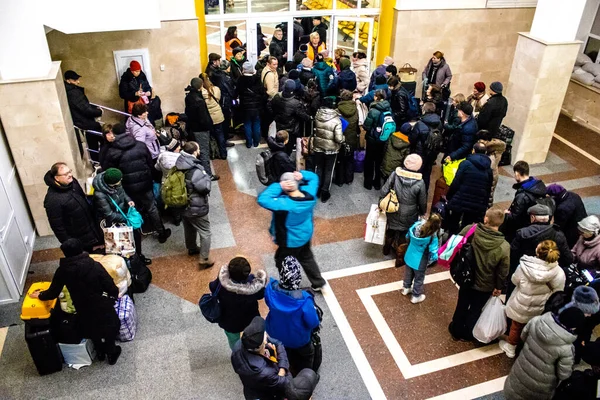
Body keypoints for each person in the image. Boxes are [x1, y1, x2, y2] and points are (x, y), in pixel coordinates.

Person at [30, 239, 122, 365]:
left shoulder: (62, 271)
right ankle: (111, 352)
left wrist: (40, 295)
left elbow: (53, 292)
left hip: (81, 305)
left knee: (91, 327)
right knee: (110, 325)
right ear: (81, 249)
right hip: (101, 302)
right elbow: (109, 285)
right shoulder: (95, 266)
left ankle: (99, 351)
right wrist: (113, 296)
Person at [257, 171, 327, 291]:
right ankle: (319, 283)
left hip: (289, 240)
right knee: (306, 257)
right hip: (304, 234)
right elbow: (314, 178)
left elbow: (263, 199)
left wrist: (279, 186)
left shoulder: (285, 204)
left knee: (281, 260)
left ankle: (287, 282)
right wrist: (302, 175)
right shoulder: (309, 193)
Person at [103, 122, 171, 242]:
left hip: (127, 187)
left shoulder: (112, 152)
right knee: (151, 207)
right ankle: (161, 232)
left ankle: (136, 236)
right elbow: (150, 163)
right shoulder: (140, 145)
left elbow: (110, 171)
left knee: (131, 209)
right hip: (144, 183)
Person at [448, 208, 510, 341]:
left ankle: (456, 330)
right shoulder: (504, 247)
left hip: (466, 278)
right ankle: (468, 333)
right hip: (486, 285)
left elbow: (456, 242)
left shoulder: (471, 230)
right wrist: (499, 287)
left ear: (486, 219)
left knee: (462, 303)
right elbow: (503, 271)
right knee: (475, 309)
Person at [500, 240, 566, 358]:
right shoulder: (559, 272)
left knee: (516, 326)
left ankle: (510, 348)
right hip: (541, 307)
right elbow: (558, 292)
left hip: (522, 303)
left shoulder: (524, 267)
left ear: (538, 251)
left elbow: (514, 280)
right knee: (532, 329)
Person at [503, 307, 584, 400]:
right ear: (574, 327)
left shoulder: (536, 321)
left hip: (522, 368)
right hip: (540, 388)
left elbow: (523, 337)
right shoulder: (566, 349)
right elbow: (563, 374)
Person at [231, 316, 319, 400]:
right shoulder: (266, 372)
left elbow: (278, 343)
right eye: (264, 335)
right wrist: (282, 368)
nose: (266, 335)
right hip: (267, 394)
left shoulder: (241, 345)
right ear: (261, 345)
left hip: (251, 390)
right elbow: (285, 383)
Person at [265, 256, 320, 375]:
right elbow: (313, 322)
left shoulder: (270, 289)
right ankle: (305, 376)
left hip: (275, 334)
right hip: (299, 339)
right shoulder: (304, 300)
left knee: (283, 353)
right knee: (307, 356)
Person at [507, 204, 573, 300]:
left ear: (533, 217)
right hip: (547, 279)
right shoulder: (558, 234)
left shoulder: (522, 233)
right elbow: (568, 258)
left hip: (523, 272)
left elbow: (512, 254)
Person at [209, 256, 267, 349]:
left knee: (233, 340)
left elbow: (212, 286)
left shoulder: (222, 283)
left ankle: (236, 352)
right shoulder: (252, 286)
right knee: (253, 338)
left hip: (230, 321)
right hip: (250, 319)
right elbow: (261, 294)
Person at [92, 168, 149, 263]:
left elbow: (123, 194)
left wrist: (129, 201)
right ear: (112, 183)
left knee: (136, 237)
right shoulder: (100, 195)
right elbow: (109, 214)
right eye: (119, 180)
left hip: (123, 215)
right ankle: (129, 261)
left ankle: (138, 256)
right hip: (115, 222)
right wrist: (126, 219)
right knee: (122, 243)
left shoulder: (116, 184)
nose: (121, 181)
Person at [44, 162, 103, 252]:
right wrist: (72, 246)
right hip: (80, 239)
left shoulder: (72, 182)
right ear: (57, 178)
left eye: (70, 171)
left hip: (92, 229)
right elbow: (57, 227)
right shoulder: (53, 200)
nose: (70, 175)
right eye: (65, 174)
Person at [380, 154, 426, 264]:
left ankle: (386, 248)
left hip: (393, 208)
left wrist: (380, 203)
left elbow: (384, 190)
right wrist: (422, 212)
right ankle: (399, 258)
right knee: (403, 234)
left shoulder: (394, 175)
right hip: (410, 213)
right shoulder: (420, 183)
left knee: (391, 229)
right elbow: (422, 201)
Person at [175, 142, 214, 269]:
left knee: (189, 226)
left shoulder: (179, 163)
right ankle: (204, 258)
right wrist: (207, 177)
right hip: (195, 206)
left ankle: (191, 248)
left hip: (182, 203)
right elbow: (205, 188)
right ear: (194, 152)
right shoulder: (195, 170)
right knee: (205, 231)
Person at [445, 142, 493, 234]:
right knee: (466, 226)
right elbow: (488, 189)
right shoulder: (488, 169)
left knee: (454, 222)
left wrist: (449, 196)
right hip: (476, 202)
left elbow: (456, 182)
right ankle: (462, 244)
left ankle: (451, 242)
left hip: (460, 199)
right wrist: (484, 206)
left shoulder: (465, 163)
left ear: (473, 151)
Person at [501, 160, 548, 242]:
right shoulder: (538, 186)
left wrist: (506, 214)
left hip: (519, 226)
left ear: (517, 174)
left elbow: (514, 217)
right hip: (531, 224)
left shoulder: (522, 195)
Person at [184, 77, 219, 181]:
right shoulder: (199, 101)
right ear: (200, 86)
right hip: (201, 129)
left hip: (192, 128)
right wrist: (210, 127)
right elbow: (204, 118)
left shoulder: (188, 97)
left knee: (196, 150)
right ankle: (208, 174)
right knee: (204, 151)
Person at [310, 97, 344, 203]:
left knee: (318, 168)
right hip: (331, 149)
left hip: (318, 146)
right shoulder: (337, 120)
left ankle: (316, 189)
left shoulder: (318, 115)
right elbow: (338, 139)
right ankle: (325, 192)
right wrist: (344, 138)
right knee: (329, 170)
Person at [63, 70, 102, 160]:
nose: (78, 82)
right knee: (95, 142)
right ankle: (96, 160)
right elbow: (85, 108)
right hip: (84, 122)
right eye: (75, 80)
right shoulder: (73, 93)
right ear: (68, 80)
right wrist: (98, 112)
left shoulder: (71, 90)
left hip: (82, 121)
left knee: (95, 141)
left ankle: (96, 160)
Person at [402, 214, 441, 304]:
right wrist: (432, 261)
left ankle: (406, 288)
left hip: (409, 254)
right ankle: (416, 296)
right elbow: (433, 253)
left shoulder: (416, 226)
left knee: (408, 273)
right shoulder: (432, 237)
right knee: (419, 278)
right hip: (420, 261)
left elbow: (407, 237)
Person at [363, 90, 392, 191]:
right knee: (379, 161)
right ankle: (377, 183)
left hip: (372, 139)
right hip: (383, 138)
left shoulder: (373, 110)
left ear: (376, 97)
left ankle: (368, 182)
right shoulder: (389, 109)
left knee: (369, 160)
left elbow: (366, 126)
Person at [271, 80, 310, 151]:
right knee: (288, 147)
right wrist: (308, 117)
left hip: (279, 125)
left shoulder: (277, 97)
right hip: (291, 129)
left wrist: (275, 116)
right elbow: (302, 115)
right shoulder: (296, 103)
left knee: (279, 142)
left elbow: (270, 106)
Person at [546, 184, 587, 248]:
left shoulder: (563, 208)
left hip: (571, 232)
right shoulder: (573, 195)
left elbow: (558, 225)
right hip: (581, 223)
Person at [199, 72, 228, 160]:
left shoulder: (200, 93)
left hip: (207, 117)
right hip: (218, 115)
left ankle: (213, 153)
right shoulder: (216, 89)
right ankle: (223, 154)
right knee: (220, 135)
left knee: (210, 136)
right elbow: (218, 99)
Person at [477, 129, 506, 207]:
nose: (479, 143)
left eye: (480, 141)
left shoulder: (491, 156)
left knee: (487, 197)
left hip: (491, 176)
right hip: (492, 175)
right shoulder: (493, 149)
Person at [237, 62, 263, 148]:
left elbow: (237, 92)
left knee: (247, 124)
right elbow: (262, 92)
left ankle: (248, 143)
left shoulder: (240, 80)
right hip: (257, 106)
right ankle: (256, 142)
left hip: (245, 107)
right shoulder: (257, 79)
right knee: (256, 123)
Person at [212, 60, 238, 139]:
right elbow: (231, 91)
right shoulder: (226, 78)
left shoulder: (217, 75)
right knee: (226, 119)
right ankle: (225, 137)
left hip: (220, 100)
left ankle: (225, 135)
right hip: (225, 101)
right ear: (226, 68)